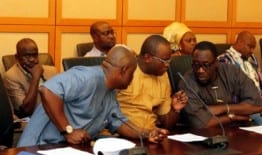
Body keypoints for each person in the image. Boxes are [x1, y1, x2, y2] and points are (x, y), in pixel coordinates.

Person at [17, 46, 168, 147]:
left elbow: (120, 123)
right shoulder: (86, 77)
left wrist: (147, 133)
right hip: (38, 148)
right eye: (132, 73)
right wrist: (68, 131)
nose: (132, 78)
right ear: (123, 70)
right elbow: (48, 91)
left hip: (66, 152)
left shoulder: (110, 92)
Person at [178, 41, 262, 129]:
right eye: (196, 65)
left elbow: (257, 105)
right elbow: (200, 124)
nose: (200, 70)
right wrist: (232, 117)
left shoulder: (232, 72)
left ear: (216, 63)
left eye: (206, 65)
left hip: (239, 130)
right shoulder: (187, 82)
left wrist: (223, 108)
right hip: (205, 135)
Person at [117, 35, 188, 133]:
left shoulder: (162, 75)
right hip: (123, 135)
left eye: (169, 61)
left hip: (152, 135)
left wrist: (175, 110)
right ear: (147, 58)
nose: (167, 65)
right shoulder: (124, 70)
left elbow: (167, 124)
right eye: (164, 61)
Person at [217, 31, 262, 125]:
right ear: (239, 42)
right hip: (242, 106)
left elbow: (261, 84)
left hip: (260, 104)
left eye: (253, 48)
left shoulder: (252, 59)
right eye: (250, 46)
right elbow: (227, 91)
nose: (252, 50)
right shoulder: (224, 60)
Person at [3, 38, 57, 118]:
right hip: (33, 118)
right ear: (17, 57)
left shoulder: (52, 71)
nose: (32, 59)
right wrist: (36, 77)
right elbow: (26, 110)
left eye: (35, 55)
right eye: (27, 56)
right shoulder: (11, 76)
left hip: (56, 115)